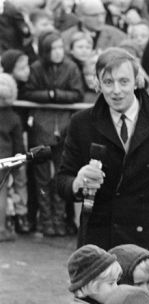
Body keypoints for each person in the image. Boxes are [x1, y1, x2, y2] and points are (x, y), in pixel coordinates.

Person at [57, 47, 149, 269]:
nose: (116, 91)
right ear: (97, 84)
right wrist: (77, 182)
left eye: (124, 81)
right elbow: (61, 181)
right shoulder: (81, 123)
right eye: (108, 82)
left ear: (137, 81)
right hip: (100, 242)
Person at [22, 30, 84, 237]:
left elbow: (77, 93)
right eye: (53, 48)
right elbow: (27, 92)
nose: (58, 52)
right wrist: (51, 95)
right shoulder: (36, 68)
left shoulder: (71, 67)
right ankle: (45, 220)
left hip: (65, 127)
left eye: (60, 47)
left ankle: (58, 220)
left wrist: (53, 95)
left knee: (61, 175)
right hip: (41, 126)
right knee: (41, 178)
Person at [0, 73, 24, 242]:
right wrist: (17, 165)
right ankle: (1, 229)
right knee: (1, 194)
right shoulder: (14, 118)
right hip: (4, 161)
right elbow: (18, 147)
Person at [61, 0, 126, 53]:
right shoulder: (65, 38)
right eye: (94, 15)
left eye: (103, 14)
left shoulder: (118, 36)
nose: (101, 20)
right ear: (81, 16)